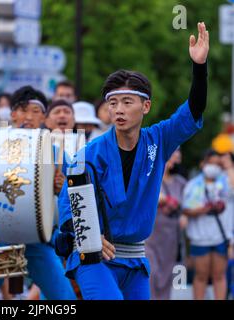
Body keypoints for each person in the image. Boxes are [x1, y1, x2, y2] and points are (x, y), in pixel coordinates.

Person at [57, 22, 209, 300]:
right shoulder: (91, 153)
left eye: (127, 102)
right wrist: (88, 236)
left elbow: (192, 112)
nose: (118, 110)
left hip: (136, 259)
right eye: (113, 103)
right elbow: (69, 203)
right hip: (94, 257)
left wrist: (199, 67)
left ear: (146, 106)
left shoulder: (158, 140)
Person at [0, 85, 76, 300]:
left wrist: (61, 188)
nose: (28, 117)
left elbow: (76, 194)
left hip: (39, 240)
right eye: (23, 110)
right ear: (12, 114)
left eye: (36, 111)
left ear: (44, 117)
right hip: (2, 236)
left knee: (65, 300)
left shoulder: (55, 153)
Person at [182, 149, 234, 300]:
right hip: (200, 238)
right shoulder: (193, 185)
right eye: (210, 163)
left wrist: (228, 164)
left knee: (220, 276)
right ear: (202, 164)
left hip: (221, 238)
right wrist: (204, 209)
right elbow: (186, 209)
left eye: (217, 164)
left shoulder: (226, 183)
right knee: (201, 276)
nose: (214, 167)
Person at [145, 149, 187, 299]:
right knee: (152, 273)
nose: (176, 158)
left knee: (169, 275)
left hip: (171, 238)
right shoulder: (150, 179)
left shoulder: (181, 183)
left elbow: (188, 206)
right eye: (173, 153)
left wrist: (184, 216)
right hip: (151, 237)